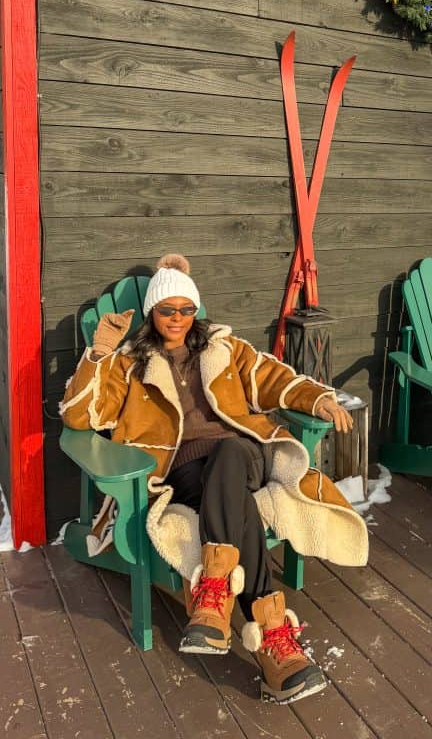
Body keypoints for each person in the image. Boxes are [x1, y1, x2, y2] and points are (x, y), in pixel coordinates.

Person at [60, 254, 368, 705]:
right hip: (184, 475)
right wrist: (100, 353)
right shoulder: (128, 366)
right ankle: (276, 646)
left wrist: (317, 399)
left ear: (196, 311)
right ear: (152, 312)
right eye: (168, 310)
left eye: (187, 309)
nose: (178, 318)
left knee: (228, 453)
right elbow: (78, 415)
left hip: (244, 455)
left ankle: (214, 597)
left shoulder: (226, 351)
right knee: (236, 506)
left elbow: (275, 378)